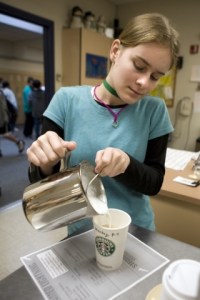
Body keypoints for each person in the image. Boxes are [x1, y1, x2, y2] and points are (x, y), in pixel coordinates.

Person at [26, 13, 180, 235]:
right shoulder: (66, 100)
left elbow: (154, 182)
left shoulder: (154, 110)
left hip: (135, 230)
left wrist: (127, 164)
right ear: (115, 51)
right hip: (82, 231)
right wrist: (45, 163)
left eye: (155, 76)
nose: (144, 83)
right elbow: (42, 182)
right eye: (139, 66)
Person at [0, 89, 25, 156]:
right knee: (5, 134)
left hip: (2, 118)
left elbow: (3, 106)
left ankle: (19, 142)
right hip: (2, 117)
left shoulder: (1, 93)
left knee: (5, 134)